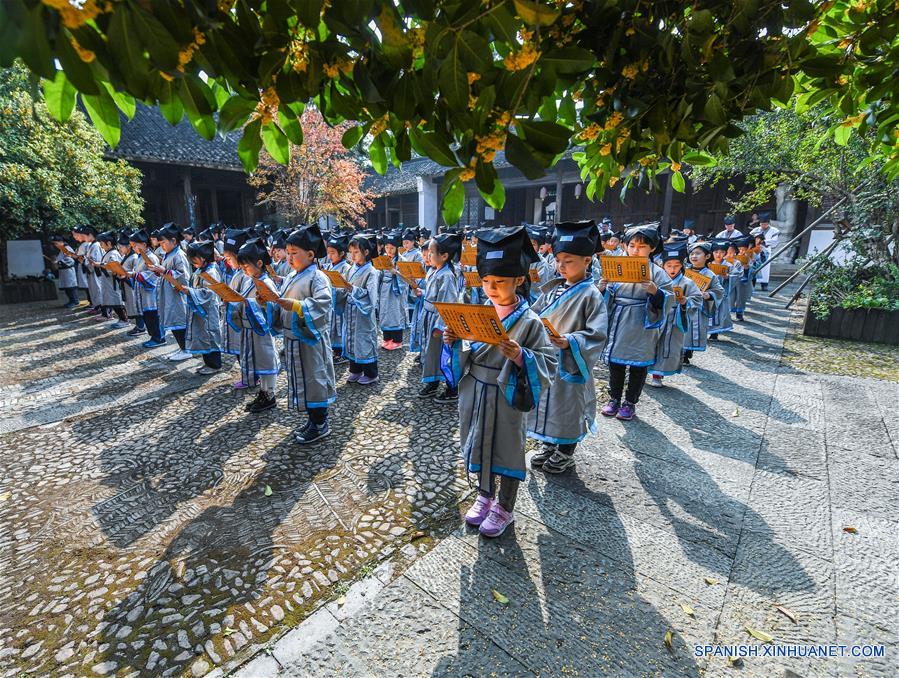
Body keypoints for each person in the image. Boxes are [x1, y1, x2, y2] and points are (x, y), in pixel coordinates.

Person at [442, 225, 557, 537]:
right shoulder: (479, 310)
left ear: (519, 280)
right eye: (487, 281)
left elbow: (548, 361)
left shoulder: (530, 320)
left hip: (507, 392)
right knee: (479, 443)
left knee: (506, 449)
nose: (491, 288)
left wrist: (521, 356)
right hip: (476, 389)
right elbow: (466, 348)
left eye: (500, 282)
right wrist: (453, 339)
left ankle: (505, 506)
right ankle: (484, 495)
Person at [528, 220, 608, 474]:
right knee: (546, 403)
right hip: (548, 359)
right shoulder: (552, 290)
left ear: (587, 261)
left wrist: (570, 341)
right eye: (558, 259)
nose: (560, 266)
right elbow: (533, 314)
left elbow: (597, 334)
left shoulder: (591, 294)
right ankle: (549, 443)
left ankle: (566, 451)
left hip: (571, 361)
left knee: (568, 407)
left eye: (568, 260)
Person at [598, 224, 673, 420]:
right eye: (631, 246)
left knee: (638, 365)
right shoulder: (617, 266)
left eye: (641, 247)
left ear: (652, 248)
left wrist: (656, 292)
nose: (635, 250)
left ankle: (630, 402)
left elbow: (669, 298)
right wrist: (603, 288)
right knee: (616, 363)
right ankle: (613, 398)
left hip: (642, 322)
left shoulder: (657, 273)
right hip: (619, 318)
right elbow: (604, 297)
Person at [275, 225, 338, 444]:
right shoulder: (293, 274)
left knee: (315, 379)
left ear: (311, 255)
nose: (290, 259)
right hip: (295, 340)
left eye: (295, 254)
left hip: (310, 340)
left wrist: (295, 305)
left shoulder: (318, 277)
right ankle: (312, 420)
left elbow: (324, 303)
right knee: (305, 380)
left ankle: (320, 423)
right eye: (288, 253)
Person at [228, 238, 281, 412]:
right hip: (251, 330)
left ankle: (270, 395)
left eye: (246, 266)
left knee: (266, 362)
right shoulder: (250, 279)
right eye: (241, 267)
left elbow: (274, 306)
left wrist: (249, 303)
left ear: (259, 263)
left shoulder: (266, 282)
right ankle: (263, 392)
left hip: (261, 330)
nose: (244, 270)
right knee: (259, 363)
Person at [648, 245, 704, 387]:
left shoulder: (687, 282)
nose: (672, 269)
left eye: (676, 265)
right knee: (649, 345)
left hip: (675, 319)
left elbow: (697, 299)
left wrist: (685, 302)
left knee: (667, 348)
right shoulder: (656, 278)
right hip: (657, 316)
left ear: (682, 266)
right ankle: (642, 371)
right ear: (663, 265)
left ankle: (658, 375)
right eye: (669, 265)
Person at [418, 232, 462, 402]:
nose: (427, 255)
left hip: (439, 322)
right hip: (429, 316)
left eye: (431, 252)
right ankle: (432, 381)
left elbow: (448, 303)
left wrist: (440, 326)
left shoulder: (447, 276)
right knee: (431, 353)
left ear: (444, 256)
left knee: (444, 355)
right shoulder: (433, 271)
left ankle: (452, 388)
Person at [147, 223, 192, 361]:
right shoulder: (168, 254)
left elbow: (184, 276)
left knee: (179, 322)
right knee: (173, 322)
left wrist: (164, 271)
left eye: (163, 242)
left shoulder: (179, 255)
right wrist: (159, 271)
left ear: (173, 240)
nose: (162, 246)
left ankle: (187, 349)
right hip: (169, 293)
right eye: (160, 243)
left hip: (177, 295)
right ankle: (182, 348)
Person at [344, 234, 380, 385]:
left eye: (356, 252)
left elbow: (371, 297)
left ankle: (372, 374)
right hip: (351, 310)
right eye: (350, 252)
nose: (352, 256)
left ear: (366, 252)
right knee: (352, 341)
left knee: (364, 341)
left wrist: (353, 289)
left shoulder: (372, 271)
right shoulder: (351, 268)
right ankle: (356, 370)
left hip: (363, 312)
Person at [184, 240, 224, 375]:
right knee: (203, 335)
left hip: (209, 309)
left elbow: (210, 293)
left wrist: (190, 292)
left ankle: (215, 365)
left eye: (195, 260)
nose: (193, 263)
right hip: (201, 308)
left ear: (203, 258)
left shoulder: (211, 271)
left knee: (211, 335)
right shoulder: (201, 269)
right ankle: (207, 363)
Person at [681, 241, 724, 364]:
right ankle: (682, 351)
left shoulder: (710, 274)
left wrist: (708, 294)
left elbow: (719, 290)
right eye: (692, 253)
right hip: (684, 304)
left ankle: (687, 352)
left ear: (707, 256)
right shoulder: (684, 270)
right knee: (682, 329)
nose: (694, 256)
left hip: (699, 308)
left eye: (698, 253)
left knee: (692, 330)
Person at [128, 230, 166, 348]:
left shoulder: (151, 257)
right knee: (147, 315)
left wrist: (135, 275)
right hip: (143, 291)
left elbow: (153, 276)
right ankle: (153, 336)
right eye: (132, 246)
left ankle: (159, 338)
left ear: (144, 244)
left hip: (151, 293)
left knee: (153, 315)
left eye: (135, 245)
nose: (133, 248)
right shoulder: (141, 257)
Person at [322, 233, 351, 365]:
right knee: (331, 328)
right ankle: (333, 350)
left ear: (342, 253)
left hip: (340, 303)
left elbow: (347, 288)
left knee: (340, 328)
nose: (330, 256)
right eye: (328, 253)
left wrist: (335, 290)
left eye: (333, 253)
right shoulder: (328, 266)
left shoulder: (346, 268)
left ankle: (342, 352)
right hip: (331, 303)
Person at [377, 230, 408, 350]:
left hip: (396, 290)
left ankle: (397, 340)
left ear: (397, 248)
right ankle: (386, 338)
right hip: (384, 289)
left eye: (392, 248)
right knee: (384, 313)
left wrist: (396, 273)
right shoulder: (382, 259)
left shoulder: (402, 261)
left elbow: (407, 279)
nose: (389, 250)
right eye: (387, 247)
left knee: (395, 313)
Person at [96, 231, 130, 328]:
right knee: (113, 301)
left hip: (114, 282)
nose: (101, 246)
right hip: (109, 282)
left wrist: (101, 265)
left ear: (109, 243)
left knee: (117, 302)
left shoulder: (113, 253)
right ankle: (121, 319)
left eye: (102, 244)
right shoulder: (109, 253)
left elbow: (115, 267)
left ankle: (124, 319)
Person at [116, 234, 145, 336]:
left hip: (132, 284)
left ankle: (141, 327)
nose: (119, 249)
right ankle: (139, 326)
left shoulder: (134, 257)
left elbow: (135, 271)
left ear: (128, 246)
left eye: (121, 247)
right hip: (127, 284)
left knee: (136, 306)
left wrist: (126, 275)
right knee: (132, 305)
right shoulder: (126, 256)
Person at [708, 239, 737, 339]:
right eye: (716, 252)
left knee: (719, 313)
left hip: (721, 293)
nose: (718, 255)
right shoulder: (708, 265)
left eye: (721, 252)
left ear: (725, 253)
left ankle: (715, 333)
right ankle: (708, 331)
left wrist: (728, 277)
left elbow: (736, 276)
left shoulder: (729, 265)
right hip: (709, 293)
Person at [749, 211, 779, 290]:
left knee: (765, 267)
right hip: (755, 250)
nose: (763, 226)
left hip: (766, 250)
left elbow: (775, 241)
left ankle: (764, 284)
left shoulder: (774, 230)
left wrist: (764, 242)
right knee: (754, 266)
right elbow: (750, 238)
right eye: (762, 224)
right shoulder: (755, 230)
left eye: (765, 224)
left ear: (768, 223)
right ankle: (752, 283)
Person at [50, 234, 79, 309]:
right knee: (67, 287)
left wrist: (58, 262)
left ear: (61, 242)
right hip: (64, 271)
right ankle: (71, 301)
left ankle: (75, 301)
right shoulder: (62, 249)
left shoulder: (66, 248)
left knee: (71, 287)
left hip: (69, 271)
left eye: (56, 243)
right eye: (54, 244)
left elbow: (70, 260)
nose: (55, 245)